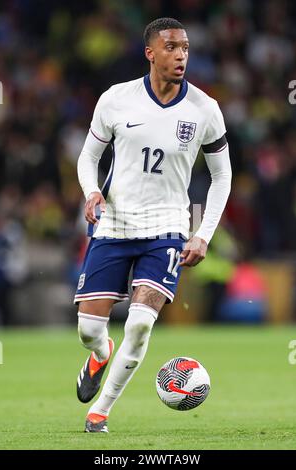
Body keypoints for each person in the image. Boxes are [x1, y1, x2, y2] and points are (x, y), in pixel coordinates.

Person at [75, 17, 232, 433]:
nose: (181, 54)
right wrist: (92, 191)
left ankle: (100, 412)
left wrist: (202, 234)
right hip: (115, 224)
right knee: (89, 329)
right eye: (171, 47)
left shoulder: (205, 109)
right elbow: (88, 157)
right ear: (150, 52)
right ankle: (98, 354)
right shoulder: (116, 100)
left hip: (166, 229)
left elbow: (222, 176)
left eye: (185, 47)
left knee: (141, 322)